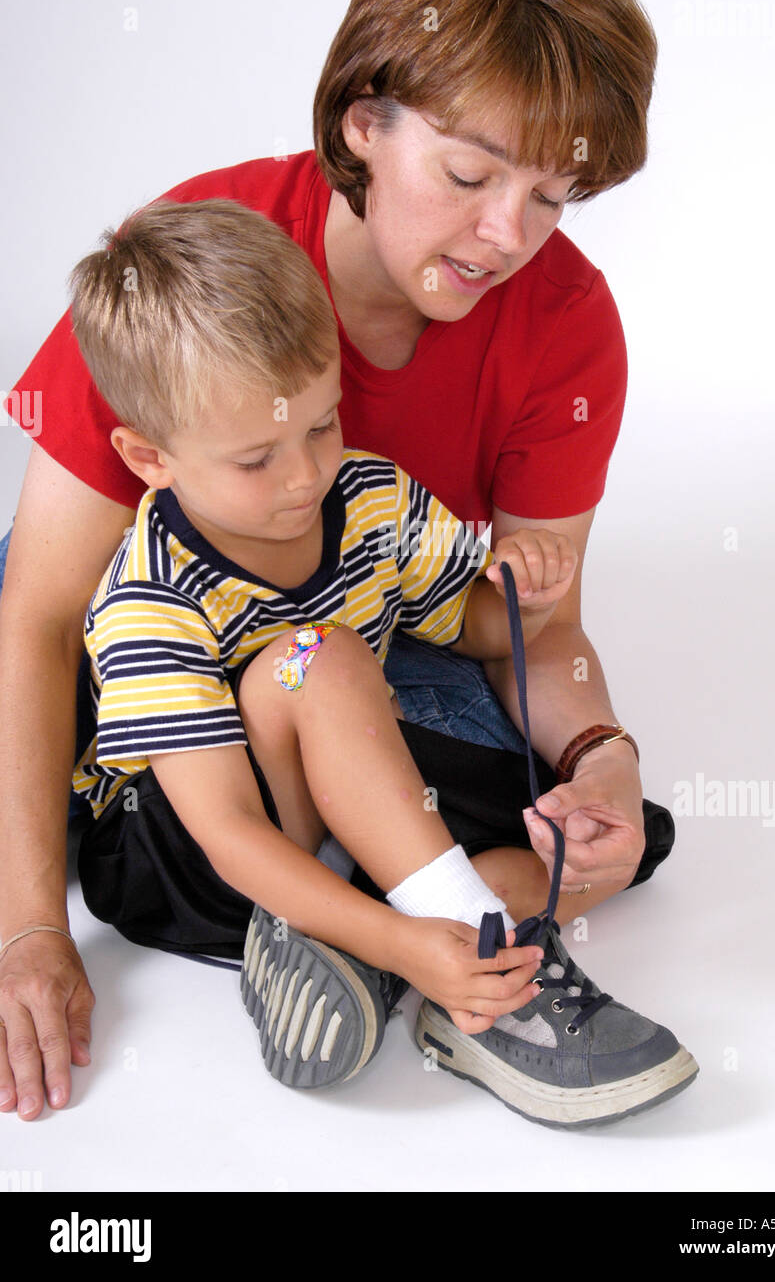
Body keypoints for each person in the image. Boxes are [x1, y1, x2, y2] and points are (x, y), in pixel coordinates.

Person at [0, 0, 683, 1125]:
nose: (505, 236)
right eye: (470, 174)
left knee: (589, 826)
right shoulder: (201, 265)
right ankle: (434, 932)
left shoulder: (554, 335)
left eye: (553, 196)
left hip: (359, 619)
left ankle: (366, 942)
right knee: (228, 687)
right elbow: (41, 614)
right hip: (167, 649)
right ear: (365, 119)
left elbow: (527, 627)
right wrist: (30, 928)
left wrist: (602, 757)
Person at [67, 196, 696, 1127]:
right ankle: (480, 980)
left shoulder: (366, 495)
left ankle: (372, 944)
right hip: (195, 848)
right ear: (147, 456)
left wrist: (523, 591)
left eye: (320, 427)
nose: (303, 477)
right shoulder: (147, 601)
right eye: (255, 458)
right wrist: (411, 938)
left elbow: (476, 631)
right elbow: (230, 830)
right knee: (314, 658)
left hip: (342, 796)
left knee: (604, 841)